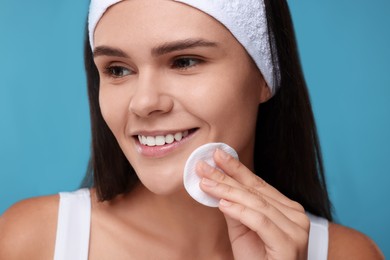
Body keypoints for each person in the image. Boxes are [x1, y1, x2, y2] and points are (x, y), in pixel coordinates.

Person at [0, 0, 384, 259]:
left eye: (184, 61)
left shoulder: (349, 254)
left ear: (265, 77)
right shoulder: (32, 240)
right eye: (117, 69)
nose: (144, 102)